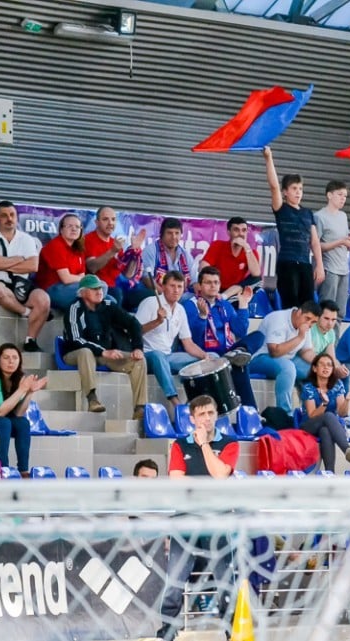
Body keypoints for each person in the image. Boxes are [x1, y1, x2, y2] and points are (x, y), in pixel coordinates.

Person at [157, 394, 238, 641]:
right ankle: (167, 633)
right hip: (185, 519)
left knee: (225, 580)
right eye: (201, 414)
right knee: (174, 582)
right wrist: (208, 483)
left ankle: (232, 632)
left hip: (218, 520)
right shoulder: (179, 445)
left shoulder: (230, 443)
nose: (207, 418)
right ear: (192, 418)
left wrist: (203, 445)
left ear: (217, 415)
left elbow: (221, 475)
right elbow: (176, 481)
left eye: (210, 413)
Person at [62, 274, 148, 421]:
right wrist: (103, 351)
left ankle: (140, 409)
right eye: (94, 289)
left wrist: (137, 347)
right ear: (83, 293)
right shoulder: (74, 308)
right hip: (75, 354)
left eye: (100, 288)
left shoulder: (108, 305)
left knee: (139, 361)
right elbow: (75, 340)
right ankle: (92, 398)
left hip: (104, 355)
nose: (99, 291)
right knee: (86, 352)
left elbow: (133, 323)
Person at [136, 271, 215, 417]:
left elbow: (188, 343)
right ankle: (176, 403)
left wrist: (205, 356)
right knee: (158, 356)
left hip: (168, 357)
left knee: (212, 357)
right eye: (172, 286)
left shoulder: (180, 310)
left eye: (180, 286)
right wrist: (157, 321)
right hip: (147, 355)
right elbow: (135, 332)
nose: (176, 290)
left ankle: (196, 400)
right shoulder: (150, 303)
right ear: (163, 286)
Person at [0, 200, 51, 352]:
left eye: (12, 215)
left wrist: (3, 262)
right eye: (4, 215)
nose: (9, 219)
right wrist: (18, 260)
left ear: (17, 217)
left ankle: (31, 340)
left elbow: (33, 266)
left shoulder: (26, 239)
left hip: (20, 285)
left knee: (43, 299)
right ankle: (26, 312)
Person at [182, 266, 258, 408]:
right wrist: (203, 316)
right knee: (240, 366)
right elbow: (194, 339)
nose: (213, 286)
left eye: (216, 282)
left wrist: (243, 305)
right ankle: (250, 410)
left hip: (228, 351)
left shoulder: (224, 305)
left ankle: (235, 354)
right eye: (208, 282)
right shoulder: (191, 305)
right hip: (207, 353)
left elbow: (240, 330)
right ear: (199, 286)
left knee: (259, 336)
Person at [0, 343, 45, 475]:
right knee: (3, 422)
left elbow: (18, 413)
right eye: (6, 357)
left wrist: (29, 392)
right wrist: (22, 389)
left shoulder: (16, 379)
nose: (11, 361)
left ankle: (23, 471)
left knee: (22, 423)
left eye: (15, 358)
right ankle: (2, 470)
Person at [264, 146, 324, 308]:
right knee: (290, 305)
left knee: (308, 306)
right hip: (287, 263)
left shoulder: (307, 213)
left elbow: (314, 241)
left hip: (305, 263)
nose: (298, 192)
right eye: (294, 189)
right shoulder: (281, 209)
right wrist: (269, 158)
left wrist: (319, 265)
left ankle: (304, 334)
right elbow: (274, 186)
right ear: (285, 192)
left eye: (300, 189)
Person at [249, 302, 320, 412]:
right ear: (299, 312)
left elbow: (306, 351)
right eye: (307, 318)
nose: (309, 324)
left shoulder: (306, 327)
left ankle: (311, 412)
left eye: (313, 322)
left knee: (317, 370)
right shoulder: (278, 319)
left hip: (288, 358)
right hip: (260, 357)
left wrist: (321, 363)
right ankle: (285, 413)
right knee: (288, 368)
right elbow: (274, 351)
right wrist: (300, 337)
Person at [299, 353, 350, 470]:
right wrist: (324, 404)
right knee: (328, 415)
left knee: (325, 430)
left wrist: (347, 400)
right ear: (315, 368)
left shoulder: (337, 386)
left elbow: (342, 413)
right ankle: (347, 449)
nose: (326, 367)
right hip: (308, 426)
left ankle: (330, 473)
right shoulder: (309, 387)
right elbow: (311, 415)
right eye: (322, 364)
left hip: (328, 425)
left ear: (332, 369)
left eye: (329, 365)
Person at [84, 205, 146, 308]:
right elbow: (92, 268)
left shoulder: (115, 243)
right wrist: (112, 251)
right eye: (105, 219)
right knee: (117, 294)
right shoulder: (88, 239)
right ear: (96, 222)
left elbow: (128, 274)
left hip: (120, 288)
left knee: (148, 296)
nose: (110, 223)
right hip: (100, 289)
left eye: (113, 219)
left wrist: (134, 253)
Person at [315, 180, 350, 315]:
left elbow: (344, 239)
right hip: (329, 269)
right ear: (329, 195)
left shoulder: (343, 216)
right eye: (340, 195)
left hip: (343, 269)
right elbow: (316, 245)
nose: (343, 199)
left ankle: (335, 337)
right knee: (326, 311)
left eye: (345, 196)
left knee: (340, 313)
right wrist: (341, 242)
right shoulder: (319, 217)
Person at [37, 213, 92, 311]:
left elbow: (82, 276)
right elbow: (66, 278)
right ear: (61, 230)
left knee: (108, 299)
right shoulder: (56, 245)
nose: (74, 229)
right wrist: (82, 279)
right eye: (69, 226)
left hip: (73, 288)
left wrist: (83, 279)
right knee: (92, 296)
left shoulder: (78, 249)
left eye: (77, 227)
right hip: (52, 289)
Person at [198, 216, 261, 301]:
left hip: (234, 291)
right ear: (228, 232)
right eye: (236, 230)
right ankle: (220, 296)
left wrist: (246, 247)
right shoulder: (218, 245)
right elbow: (203, 267)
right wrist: (213, 283)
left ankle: (224, 297)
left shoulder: (250, 252)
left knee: (257, 279)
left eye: (244, 230)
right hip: (216, 286)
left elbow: (256, 274)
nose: (241, 234)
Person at [293, 299, 350, 390]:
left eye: (333, 320)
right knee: (318, 373)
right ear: (319, 316)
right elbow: (306, 353)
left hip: (316, 362)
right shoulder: (310, 327)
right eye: (326, 318)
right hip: (299, 360)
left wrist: (338, 367)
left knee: (346, 375)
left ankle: (343, 403)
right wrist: (325, 366)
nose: (330, 323)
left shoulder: (331, 333)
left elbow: (331, 356)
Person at [141, 217, 198, 302]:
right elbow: (147, 279)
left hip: (181, 298)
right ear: (162, 234)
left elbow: (194, 282)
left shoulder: (185, 255)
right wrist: (166, 297)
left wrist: (201, 294)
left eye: (177, 233)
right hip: (158, 295)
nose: (174, 237)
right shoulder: (151, 250)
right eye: (169, 233)